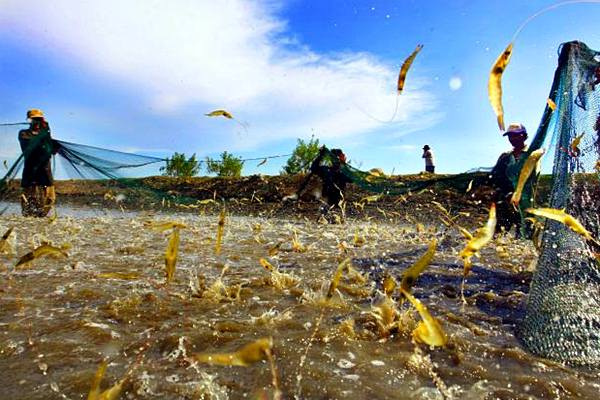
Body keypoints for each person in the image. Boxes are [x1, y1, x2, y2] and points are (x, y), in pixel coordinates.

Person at [490, 122, 537, 238]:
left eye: (517, 135)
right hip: (507, 202)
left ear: (524, 136)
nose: (513, 138)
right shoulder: (505, 156)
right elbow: (497, 177)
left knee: (526, 236)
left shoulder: (532, 154)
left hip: (527, 202)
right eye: (510, 135)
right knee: (499, 236)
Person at [18, 109, 59, 217]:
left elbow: (52, 150)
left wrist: (49, 138)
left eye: (39, 119)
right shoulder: (24, 134)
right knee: (28, 204)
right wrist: (45, 135)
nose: (37, 122)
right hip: (30, 174)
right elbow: (31, 146)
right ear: (30, 120)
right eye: (34, 119)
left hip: (45, 173)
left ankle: (40, 220)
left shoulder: (45, 135)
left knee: (50, 199)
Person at [310, 146, 352, 222]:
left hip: (339, 202)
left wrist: (344, 164)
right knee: (324, 220)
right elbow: (314, 168)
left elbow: (352, 179)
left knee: (339, 222)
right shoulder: (326, 170)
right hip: (327, 201)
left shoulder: (344, 172)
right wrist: (320, 155)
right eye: (336, 158)